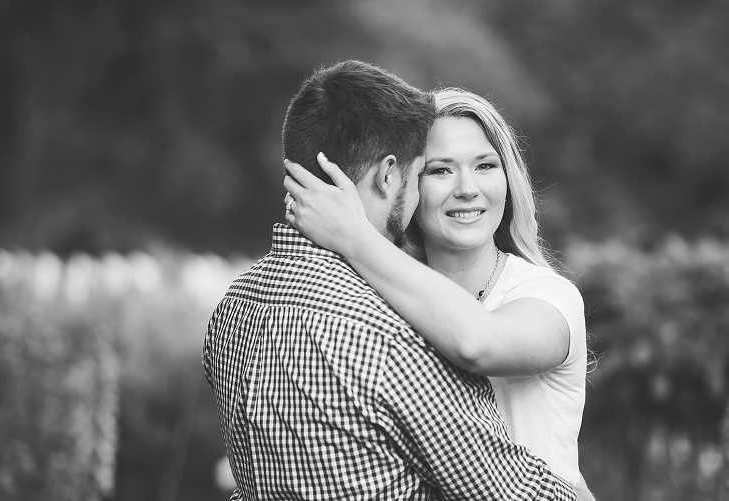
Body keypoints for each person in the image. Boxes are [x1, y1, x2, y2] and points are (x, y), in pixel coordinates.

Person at [203, 60, 579, 500]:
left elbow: (480, 341)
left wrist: (356, 237)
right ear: (391, 176)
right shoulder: (388, 335)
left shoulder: (234, 306)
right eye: (436, 170)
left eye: (485, 165)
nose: (466, 188)